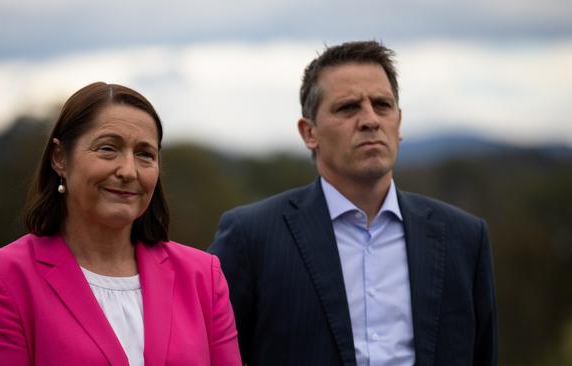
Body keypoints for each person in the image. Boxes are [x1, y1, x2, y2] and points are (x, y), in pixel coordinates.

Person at [209, 41, 497, 366]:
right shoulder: (251, 237)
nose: (370, 120)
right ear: (309, 132)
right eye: (348, 107)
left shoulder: (464, 237)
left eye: (382, 105)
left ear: (398, 123)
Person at [0, 82, 242, 366]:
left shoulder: (202, 277)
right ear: (60, 158)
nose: (128, 171)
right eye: (108, 149)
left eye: (145, 154)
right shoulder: (0, 281)